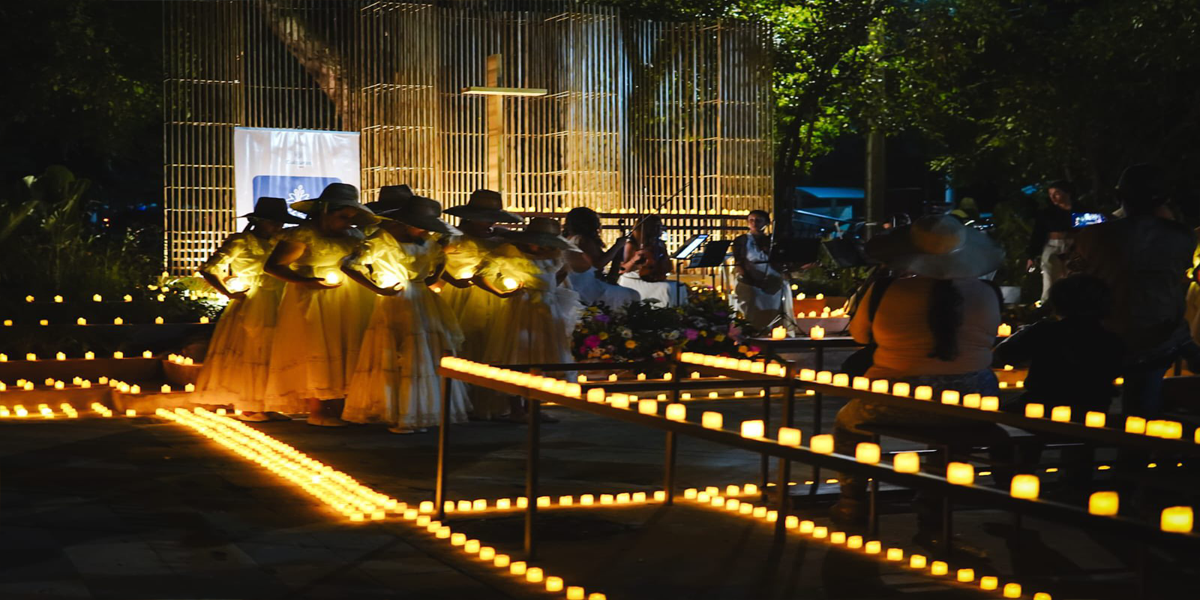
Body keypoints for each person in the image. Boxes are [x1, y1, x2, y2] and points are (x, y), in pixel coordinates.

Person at [830, 215, 1007, 545]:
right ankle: (933, 502)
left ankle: (852, 499)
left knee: (847, 424)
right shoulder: (988, 292)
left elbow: (858, 336)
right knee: (956, 437)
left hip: (896, 400)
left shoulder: (887, 291)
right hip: (973, 400)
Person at [1070, 164, 1196, 417]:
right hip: (1159, 333)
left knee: (1089, 409)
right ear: (1163, 200)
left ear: (1119, 197)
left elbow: (1075, 276)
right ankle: (1137, 451)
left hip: (1103, 333)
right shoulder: (1182, 237)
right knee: (1142, 409)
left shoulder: (1093, 235)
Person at [342, 190, 471, 433]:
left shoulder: (427, 241)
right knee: (396, 351)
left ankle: (419, 411)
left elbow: (439, 259)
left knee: (424, 352)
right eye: (421, 226)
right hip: (397, 301)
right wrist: (379, 289)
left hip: (422, 301)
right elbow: (349, 264)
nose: (425, 231)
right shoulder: (381, 240)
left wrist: (433, 277)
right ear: (406, 222)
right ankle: (398, 412)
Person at [262, 183, 379, 426]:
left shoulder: (354, 236)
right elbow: (274, 266)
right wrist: (305, 281)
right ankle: (319, 409)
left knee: (347, 344)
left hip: (351, 298)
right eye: (343, 216)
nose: (348, 222)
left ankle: (342, 405)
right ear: (325, 211)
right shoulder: (302, 235)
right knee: (317, 346)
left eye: (352, 217)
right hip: (314, 297)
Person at [993, 274, 1124, 488]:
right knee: (1081, 430)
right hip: (1091, 410)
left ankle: (1013, 479)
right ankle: (1077, 485)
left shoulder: (1045, 331)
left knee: (996, 421)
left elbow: (1003, 355)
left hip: (1040, 407)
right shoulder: (1112, 339)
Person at [194, 197, 303, 420]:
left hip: (280, 296)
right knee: (255, 349)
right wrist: (229, 292)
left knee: (275, 350)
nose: (278, 226)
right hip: (256, 299)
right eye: (273, 222)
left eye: (281, 222)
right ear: (259, 220)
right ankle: (250, 403)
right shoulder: (241, 241)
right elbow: (208, 268)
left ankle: (269, 402)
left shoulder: (279, 241)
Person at [483, 217, 582, 421]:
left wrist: (551, 288)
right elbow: (484, 272)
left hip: (547, 308)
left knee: (541, 355)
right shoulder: (512, 254)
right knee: (517, 352)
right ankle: (516, 408)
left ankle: (533, 406)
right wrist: (501, 291)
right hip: (522, 307)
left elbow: (561, 273)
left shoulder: (555, 257)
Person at [441, 189, 527, 420]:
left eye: (492, 216)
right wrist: (452, 279)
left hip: (500, 294)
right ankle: (466, 402)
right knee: (469, 342)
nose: (490, 221)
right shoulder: (453, 237)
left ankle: (502, 404)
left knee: (500, 347)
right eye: (484, 215)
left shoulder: (503, 236)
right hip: (465, 295)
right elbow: (435, 263)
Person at [563, 207, 640, 308]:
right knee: (633, 295)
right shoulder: (582, 240)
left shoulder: (568, 239)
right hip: (587, 288)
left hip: (573, 284)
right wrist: (617, 246)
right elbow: (598, 264)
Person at [730, 210, 793, 332]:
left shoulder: (772, 240)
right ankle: (752, 331)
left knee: (779, 293)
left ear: (767, 223)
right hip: (750, 279)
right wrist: (753, 281)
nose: (754, 223)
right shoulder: (742, 240)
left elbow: (781, 262)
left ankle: (774, 330)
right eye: (751, 220)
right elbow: (739, 262)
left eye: (758, 220)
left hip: (771, 278)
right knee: (751, 301)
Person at [617, 215, 688, 307]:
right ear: (650, 228)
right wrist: (634, 260)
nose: (661, 230)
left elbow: (668, 266)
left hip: (654, 275)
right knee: (666, 288)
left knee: (680, 286)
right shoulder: (631, 244)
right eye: (658, 227)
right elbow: (623, 269)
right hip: (634, 277)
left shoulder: (660, 243)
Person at [1026, 181, 1077, 303]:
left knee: (1074, 280)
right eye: (1050, 194)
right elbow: (1038, 234)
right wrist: (1031, 256)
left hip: (1074, 247)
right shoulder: (1047, 213)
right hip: (1052, 247)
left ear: (1067, 193)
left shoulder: (1080, 210)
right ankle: (1047, 309)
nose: (1053, 197)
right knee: (1049, 281)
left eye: (1057, 193)